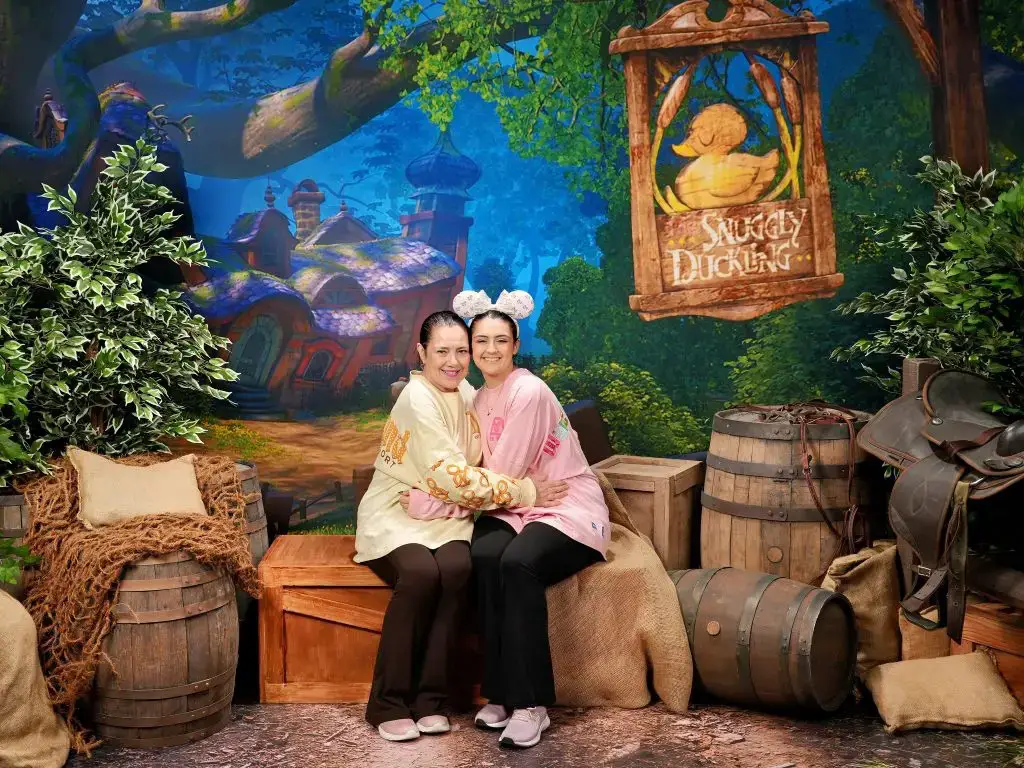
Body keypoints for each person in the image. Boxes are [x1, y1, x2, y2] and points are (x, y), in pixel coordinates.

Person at [401, 290, 610, 749]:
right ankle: (499, 690)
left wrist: (436, 501)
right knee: (484, 555)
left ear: (516, 345)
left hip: (562, 503)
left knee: (518, 563)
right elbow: (475, 473)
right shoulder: (476, 400)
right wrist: (435, 494)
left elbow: (501, 473)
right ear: (470, 348)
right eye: (480, 341)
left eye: (500, 340)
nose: (490, 350)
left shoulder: (529, 391)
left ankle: (531, 704)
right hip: (513, 505)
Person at [353, 310, 569, 743]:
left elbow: (479, 466)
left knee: (456, 569)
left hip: (447, 513)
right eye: (442, 352)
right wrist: (525, 491)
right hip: (400, 509)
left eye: (461, 351)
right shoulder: (417, 399)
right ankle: (388, 703)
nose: (453, 362)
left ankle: (431, 701)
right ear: (421, 353)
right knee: (419, 574)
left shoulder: (465, 391)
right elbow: (455, 478)